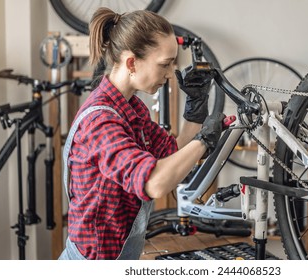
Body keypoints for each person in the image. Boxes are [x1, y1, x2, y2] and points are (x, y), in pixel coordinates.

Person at [58, 8, 225, 260]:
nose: (170, 74)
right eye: (165, 64)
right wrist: (204, 141)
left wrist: (195, 113)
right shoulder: (100, 122)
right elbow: (155, 183)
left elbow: (172, 154)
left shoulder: (132, 108)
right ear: (132, 62)